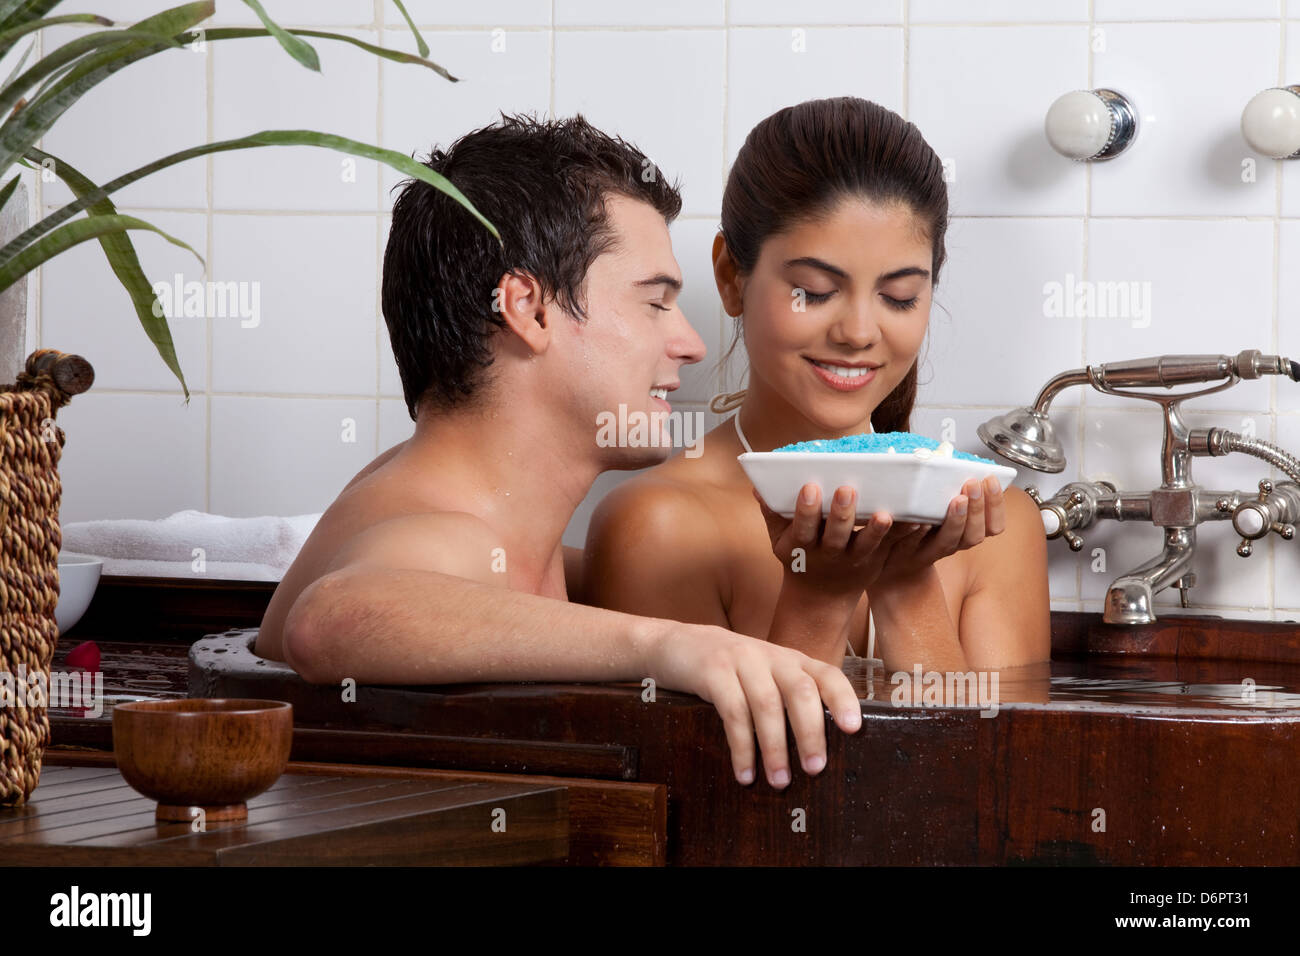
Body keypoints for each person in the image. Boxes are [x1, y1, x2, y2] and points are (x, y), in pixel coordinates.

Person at [254, 113, 863, 791]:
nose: (691, 343)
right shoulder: (443, 537)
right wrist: (670, 645)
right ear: (530, 310)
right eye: (656, 303)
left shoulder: (494, 532)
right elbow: (329, 618)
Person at [581, 97, 1052, 675]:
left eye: (899, 297)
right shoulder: (658, 526)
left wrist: (906, 583)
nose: (858, 332)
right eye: (814, 290)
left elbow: (991, 765)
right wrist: (819, 595)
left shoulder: (999, 525)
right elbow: (717, 767)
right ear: (731, 277)